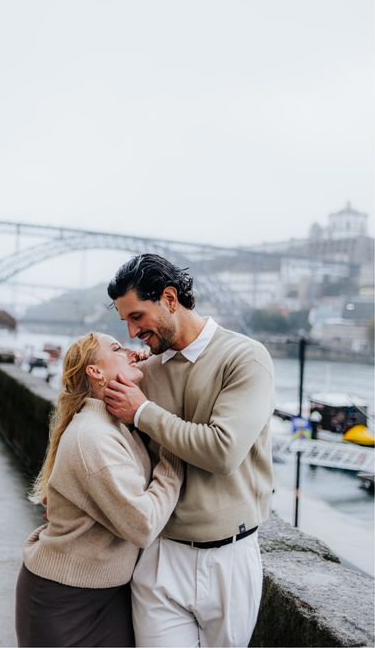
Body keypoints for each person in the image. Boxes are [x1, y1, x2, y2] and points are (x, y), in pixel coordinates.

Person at [105, 254, 275, 648]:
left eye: (136, 316)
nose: (132, 332)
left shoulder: (245, 358)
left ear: (169, 298)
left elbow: (222, 452)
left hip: (230, 560)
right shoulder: (143, 372)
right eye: (126, 321)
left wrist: (143, 412)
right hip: (160, 556)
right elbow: (100, 434)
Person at [15, 331, 183, 648]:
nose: (132, 352)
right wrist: (175, 454)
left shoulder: (115, 425)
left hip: (106, 594)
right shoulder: (93, 437)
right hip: (62, 600)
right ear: (95, 371)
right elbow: (143, 524)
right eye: (118, 348)